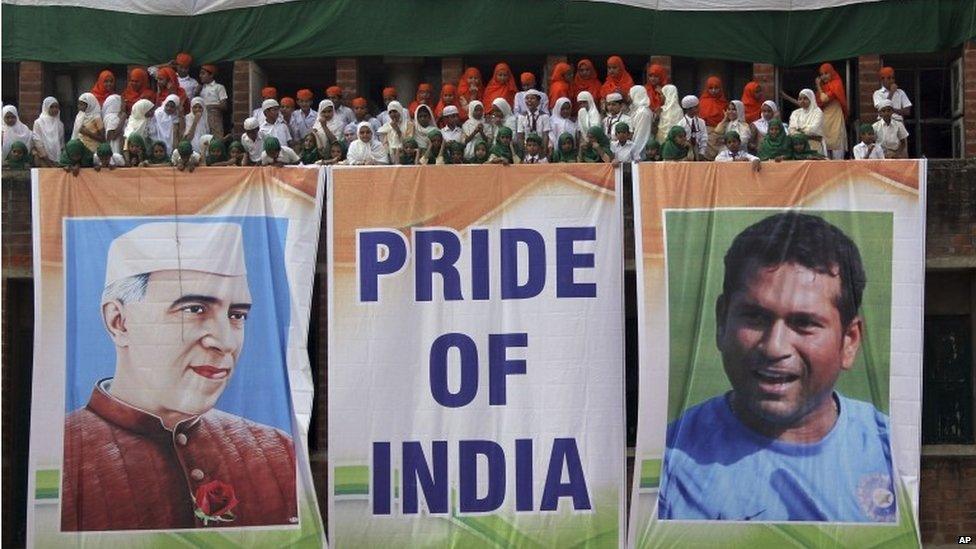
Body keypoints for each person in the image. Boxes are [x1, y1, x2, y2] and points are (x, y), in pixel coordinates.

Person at [658, 212, 896, 523]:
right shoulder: (667, 462)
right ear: (721, 321)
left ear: (849, 341)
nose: (774, 347)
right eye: (755, 318)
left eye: (804, 323)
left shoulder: (893, 452)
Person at [61, 222, 297, 531]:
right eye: (194, 309)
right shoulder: (62, 455)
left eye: (237, 315)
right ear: (119, 322)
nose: (225, 341)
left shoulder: (278, 452)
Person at [813, 63, 849, 159]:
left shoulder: (836, 83)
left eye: (826, 73)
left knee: (836, 145)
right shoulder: (825, 87)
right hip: (825, 118)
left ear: (831, 72)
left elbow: (824, 99)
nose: (824, 76)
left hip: (835, 117)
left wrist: (818, 86)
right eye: (821, 74)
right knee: (825, 148)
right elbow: (817, 102)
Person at [787, 89, 825, 156]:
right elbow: (791, 130)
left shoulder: (818, 112)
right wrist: (805, 130)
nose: (802, 101)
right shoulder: (795, 113)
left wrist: (799, 129)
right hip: (797, 147)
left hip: (813, 145)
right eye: (800, 99)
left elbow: (813, 130)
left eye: (805, 98)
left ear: (811, 99)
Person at [699, 76, 729, 160]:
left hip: (722, 136)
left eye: (716, 88)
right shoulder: (702, 102)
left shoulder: (724, 103)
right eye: (711, 88)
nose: (713, 90)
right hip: (707, 136)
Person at [32, 97, 65, 166]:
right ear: (46, 107)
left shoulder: (60, 124)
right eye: (51, 107)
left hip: (58, 160)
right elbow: (37, 141)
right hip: (43, 159)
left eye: (56, 107)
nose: (55, 109)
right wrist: (48, 161)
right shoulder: (38, 122)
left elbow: (61, 144)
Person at [198, 64, 228, 139]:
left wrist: (210, 106)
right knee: (204, 139)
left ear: (211, 75)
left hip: (214, 117)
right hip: (202, 117)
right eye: (200, 73)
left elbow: (224, 106)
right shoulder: (201, 88)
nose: (200, 75)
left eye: (203, 73)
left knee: (216, 139)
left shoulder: (219, 87)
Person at [679, 96, 708, 161]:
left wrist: (702, 152)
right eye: (696, 107)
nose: (698, 109)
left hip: (698, 150)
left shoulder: (701, 122)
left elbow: (704, 137)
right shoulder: (681, 124)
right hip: (686, 151)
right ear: (688, 109)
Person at [628, 85, 654, 154]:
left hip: (640, 151)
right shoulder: (636, 110)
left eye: (630, 93)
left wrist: (634, 153)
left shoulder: (643, 112)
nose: (628, 95)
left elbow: (640, 135)